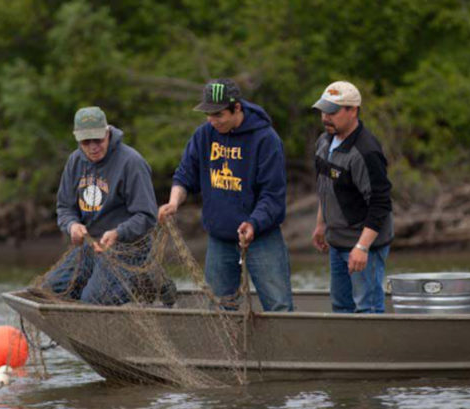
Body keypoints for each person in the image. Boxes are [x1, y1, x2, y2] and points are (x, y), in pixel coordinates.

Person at [158, 79, 293, 312]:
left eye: (218, 114)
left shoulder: (266, 139)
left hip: (261, 237)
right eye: (208, 114)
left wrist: (253, 223)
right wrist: (173, 202)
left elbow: (272, 195)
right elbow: (184, 175)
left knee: (278, 305)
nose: (212, 120)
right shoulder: (204, 135)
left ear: (237, 108)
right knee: (219, 308)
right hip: (220, 239)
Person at [42, 106, 161, 305]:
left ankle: (142, 278)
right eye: (85, 142)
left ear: (108, 133)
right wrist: (72, 225)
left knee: (93, 301)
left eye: (97, 140)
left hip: (128, 248)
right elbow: (64, 208)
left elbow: (147, 216)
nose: (92, 147)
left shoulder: (131, 162)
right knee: (50, 290)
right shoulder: (74, 161)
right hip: (90, 246)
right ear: (77, 138)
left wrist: (118, 233)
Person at [310, 81, 393, 313]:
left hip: (364, 243)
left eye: (333, 112)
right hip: (337, 241)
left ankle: (374, 350)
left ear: (353, 110)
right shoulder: (323, 142)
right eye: (323, 111)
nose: (326, 117)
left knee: (367, 308)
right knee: (341, 306)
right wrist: (320, 224)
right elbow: (325, 187)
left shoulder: (366, 151)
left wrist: (362, 248)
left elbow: (381, 203)